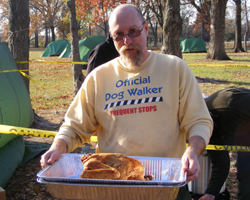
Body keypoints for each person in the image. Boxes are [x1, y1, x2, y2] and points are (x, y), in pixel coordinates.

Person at [41, 4, 213, 199]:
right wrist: (57, 147)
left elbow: (199, 121)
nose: (127, 41)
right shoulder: (99, 78)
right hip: (113, 186)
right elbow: (74, 126)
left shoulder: (175, 69)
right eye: (118, 35)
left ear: (146, 29)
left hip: (168, 186)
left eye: (133, 31)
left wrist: (193, 150)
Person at [199, 88, 250, 200]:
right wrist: (210, 194)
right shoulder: (207, 134)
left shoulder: (228, 103)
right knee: (246, 172)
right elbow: (221, 164)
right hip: (244, 136)